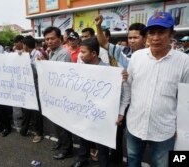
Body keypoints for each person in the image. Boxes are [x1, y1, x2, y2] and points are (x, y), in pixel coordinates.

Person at [117, 12, 189, 167]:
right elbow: (128, 87)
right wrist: (122, 111)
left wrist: (182, 129)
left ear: (172, 33)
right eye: (152, 33)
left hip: (164, 130)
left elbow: (186, 99)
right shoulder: (137, 57)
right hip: (134, 125)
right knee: (132, 159)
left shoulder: (184, 62)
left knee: (162, 164)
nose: (156, 38)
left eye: (161, 32)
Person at [95, 15, 146, 164]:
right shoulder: (122, 50)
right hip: (124, 100)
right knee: (120, 132)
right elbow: (103, 43)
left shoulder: (150, 55)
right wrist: (98, 26)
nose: (131, 41)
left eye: (135, 37)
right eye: (129, 37)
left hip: (142, 102)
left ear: (144, 38)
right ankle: (117, 158)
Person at [71, 38, 111, 167]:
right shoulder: (81, 68)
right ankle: (82, 160)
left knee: (101, 143)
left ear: (94, 54)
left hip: (100, 114)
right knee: (83, 136)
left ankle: (103, 164)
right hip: (84, 110)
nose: (80, 55)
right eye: (80, 52)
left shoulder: (108, 71)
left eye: (83, 52)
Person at [41, 26, 73, 160]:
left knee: (63, 124)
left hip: (62, 96)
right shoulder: (51, 52)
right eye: (47, 39)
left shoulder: (63, 54)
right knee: (56, 122)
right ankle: (61, 142)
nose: (49, 41)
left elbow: (60, 77)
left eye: (52, 38)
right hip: (53, 95)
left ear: (60, 39)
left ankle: (66, 149)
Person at [19, 35, 44, 143]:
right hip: (27, 86)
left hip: (36, 86)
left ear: (25, 45)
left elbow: (38, 71)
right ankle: (24, 128)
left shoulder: (38, 54)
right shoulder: (24, 54)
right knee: (26, 108)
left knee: (36, 111)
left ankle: (39, 133)